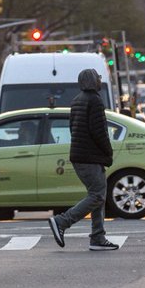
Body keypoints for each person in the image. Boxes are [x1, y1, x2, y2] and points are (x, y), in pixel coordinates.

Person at [46, 69, 119, 251]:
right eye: (98, 78)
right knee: (97, 195)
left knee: (97, 196)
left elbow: (73, 128)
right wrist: (108, 152)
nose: (100, 81)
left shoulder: (77, 100)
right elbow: (99, 131)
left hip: (80, 155)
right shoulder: (94, 100)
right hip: (90, 157)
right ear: (92, 81)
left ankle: (97, 237)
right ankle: (62, 222)